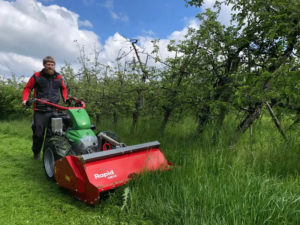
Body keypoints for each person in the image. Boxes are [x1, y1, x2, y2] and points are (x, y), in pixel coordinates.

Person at [22, 56, 68, 160]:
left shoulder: (58, 77)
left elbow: (63, 89)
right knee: (38, 135)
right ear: (44, 65)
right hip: (40, 110)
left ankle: (49, 156)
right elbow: (27, 88)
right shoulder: (37, 76)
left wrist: (65, 98)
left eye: (52, 65)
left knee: (52, 135)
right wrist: (25, 100)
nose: (50, 67)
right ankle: (36, 153)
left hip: (54, 110)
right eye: (48, 65)